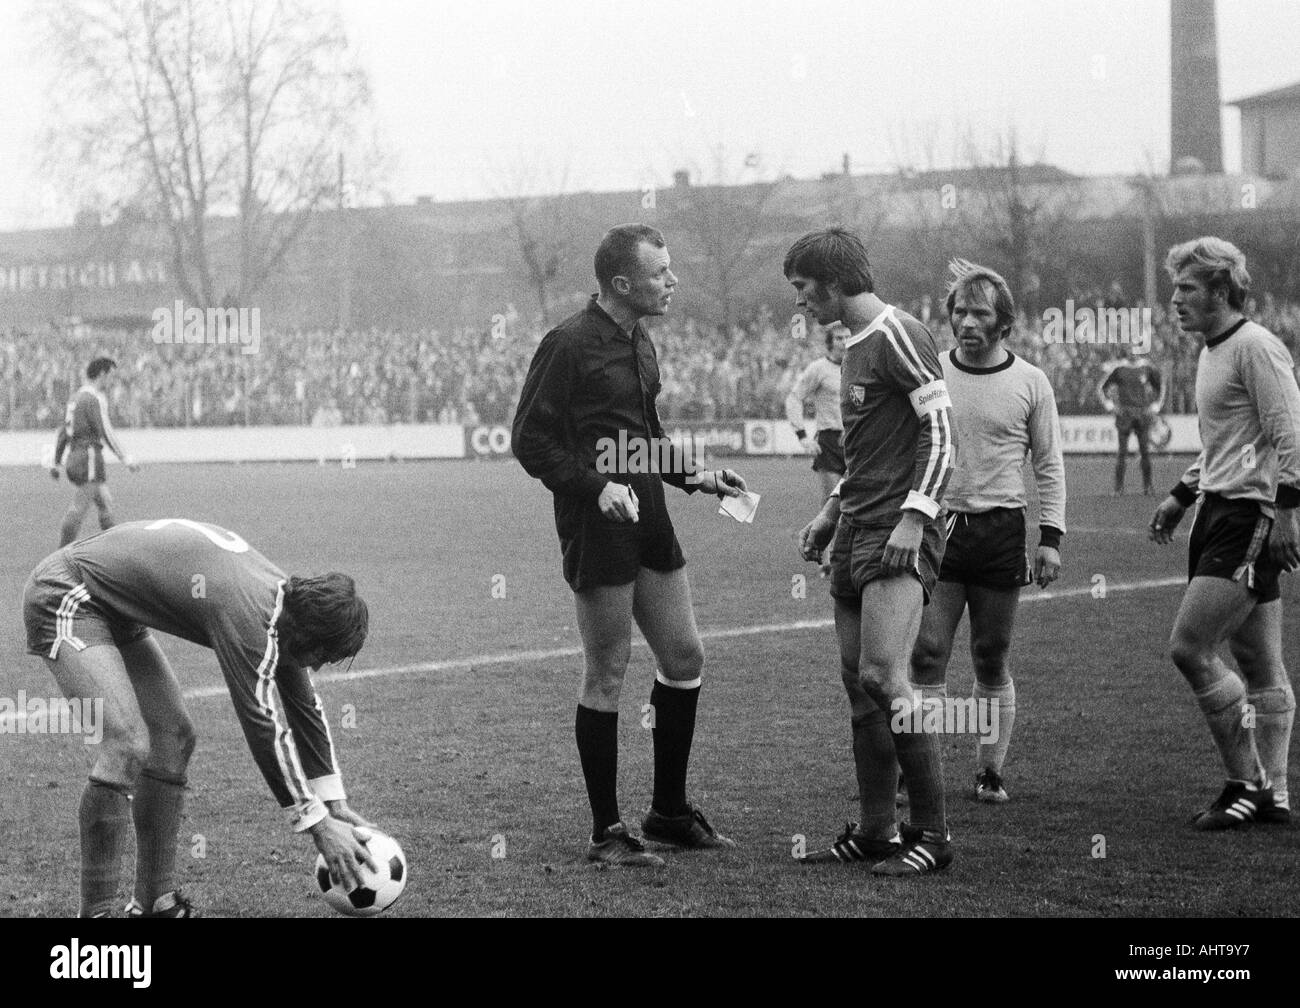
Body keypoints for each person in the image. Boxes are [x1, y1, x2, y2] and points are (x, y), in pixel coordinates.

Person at [512, 223, 747, 868]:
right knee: (609, 668)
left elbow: (642, 438)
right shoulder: (566, 345)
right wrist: (594, 489)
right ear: (622, 283)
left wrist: (696, 475)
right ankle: (606, 831)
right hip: (598, 522)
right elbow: (530, 442)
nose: (672, 282)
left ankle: (668, 813)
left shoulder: (641, 342)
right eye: (660, 273)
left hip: (651, 514)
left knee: (684, 654)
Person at [22, 518, 376, 916]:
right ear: (310, 636)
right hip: (67, 591)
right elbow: (263, 724)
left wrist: (334, 803)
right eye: (323, 658)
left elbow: (303, 705)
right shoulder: (249, 616)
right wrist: (316, 824)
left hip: (111, 606)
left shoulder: (286, 604)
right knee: (127, 743)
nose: (319, 667)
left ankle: (156, 904)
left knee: (173, 737)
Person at [790, 228, 956, 875]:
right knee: (858, 688)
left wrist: (916, 518)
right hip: (857, 527)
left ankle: (934, 835)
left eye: (804, 288)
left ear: (832, 282)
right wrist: (831, 511)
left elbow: (940, 435)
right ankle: (878, 830)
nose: (800, 301)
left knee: (885, 677)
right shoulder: (852, 345)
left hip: (898, 529)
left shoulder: (898, 332)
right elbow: (865, 450)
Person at [1150, 236, 1300, 829]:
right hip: (1219, 510)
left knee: (1190, 646)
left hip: (1251, 517)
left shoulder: (1256, 347)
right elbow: (1227, 444)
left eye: (1186, 287)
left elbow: (1289, 433)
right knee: (1259, 664)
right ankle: (1278, 794)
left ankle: (1247, 782)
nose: (1175, 299)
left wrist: (1287, 514)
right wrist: (1183, 494)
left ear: (1219, 289)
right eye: (1175, 287)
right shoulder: (1213, 350)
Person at [909, 260, 1066, 804]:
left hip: (1000, 528)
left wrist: (1051, 538)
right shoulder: (932, 375)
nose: (967, 321)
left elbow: (1048, 463)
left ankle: (989, 771)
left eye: (980, 312)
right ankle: (918, 769)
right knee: (927, 651)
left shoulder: (1030, 381)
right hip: (939, 526)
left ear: (1004, 323)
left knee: (990, 653)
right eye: (959, 311)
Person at [50, 357, 139, 546]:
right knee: (79, 507)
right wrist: (125, 458)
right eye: (110, 376)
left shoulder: (75, 398)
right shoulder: (93, 399)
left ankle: (115, 549)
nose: (111, 381)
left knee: (105, 502)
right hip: (88, 458)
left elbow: (63, 432)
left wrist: (57, 462)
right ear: (101, 374)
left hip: (75, 456)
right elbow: (105, 431)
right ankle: (59, 557)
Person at [786, 324, 847, 575]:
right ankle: (826, 559)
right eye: (840, 338)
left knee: (860, 502)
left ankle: (850, 555)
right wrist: (802, 436)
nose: (845, 341)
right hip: (830, 442)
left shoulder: (859, 365)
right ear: (830, 343)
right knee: (832, 501)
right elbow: (793, 398)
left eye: (848, 337)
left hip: (857, 440)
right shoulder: (819, 369)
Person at [1097, 345, 1163, 494]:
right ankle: (1118, 488)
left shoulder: (1146, 367)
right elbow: (1102, 387)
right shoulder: (1119, 368)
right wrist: (1109, 405)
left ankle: (1148, 486)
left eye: (1136, 348)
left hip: (1142, 414)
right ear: (1127, 350)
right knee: (1122, 453)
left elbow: (1159, 386)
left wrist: (1156, 405)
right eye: (1131, 349)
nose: (1133, 352)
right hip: (1124, 414)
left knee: (1145, 451)